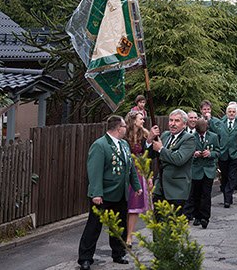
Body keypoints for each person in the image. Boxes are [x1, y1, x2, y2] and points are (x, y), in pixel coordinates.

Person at [77, 116, 142, 269]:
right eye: (125, 126)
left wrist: (136, 185)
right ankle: (85, 258)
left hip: (120, 193)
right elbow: (95, 172)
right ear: (119, 128)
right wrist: (96, 194)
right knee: (94, 227)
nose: (126, 129)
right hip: (104, 194)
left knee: (119, 226)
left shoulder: (125, 144)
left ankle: (118, 253)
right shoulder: (100, 145)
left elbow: (130, 167)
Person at [148, 109, 196, 212]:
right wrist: (149, 140)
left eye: (176, 121)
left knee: (172, 224)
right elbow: (150, 155)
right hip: (160, 188)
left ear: (184, 124)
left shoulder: (189, 139)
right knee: (158, 224)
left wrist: (161, 149)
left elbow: (179, 159)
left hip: (176, 189)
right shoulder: (165, 135)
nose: (172, 124)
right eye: (171, 120)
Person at [124, 111, 154, 248]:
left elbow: (147, 157)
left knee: (135, 206)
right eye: (141, 119)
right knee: (125, 205)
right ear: (133, 120)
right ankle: (122, 233)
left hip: (139, 173)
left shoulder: (144, 136)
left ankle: (129, 236)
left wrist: (149, 176)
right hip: (126, 173)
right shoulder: (124, 136)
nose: (143, 121)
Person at [186, 119, 220, 228]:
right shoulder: (191, 137)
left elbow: (219, 151)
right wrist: (194, 154)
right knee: (196, 194)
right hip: (196, 169)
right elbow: (187, 153)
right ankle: (197, 216)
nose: (201, 134)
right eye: (199, 133)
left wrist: (210, 153)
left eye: (202, 133)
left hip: (208, 169)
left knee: (206, 194)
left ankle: (205, 217)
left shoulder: (213, 137)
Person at [213, 104, 237, 208]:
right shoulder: (220, 124)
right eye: (230, 112)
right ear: (227, 113)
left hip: (235, 154)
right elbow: (216, 138)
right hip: (223, 154)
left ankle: (227, 200)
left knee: (232, 177)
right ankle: (227, 196)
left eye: (233, 112)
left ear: (236, 113)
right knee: (224, 178)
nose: (231, 113)